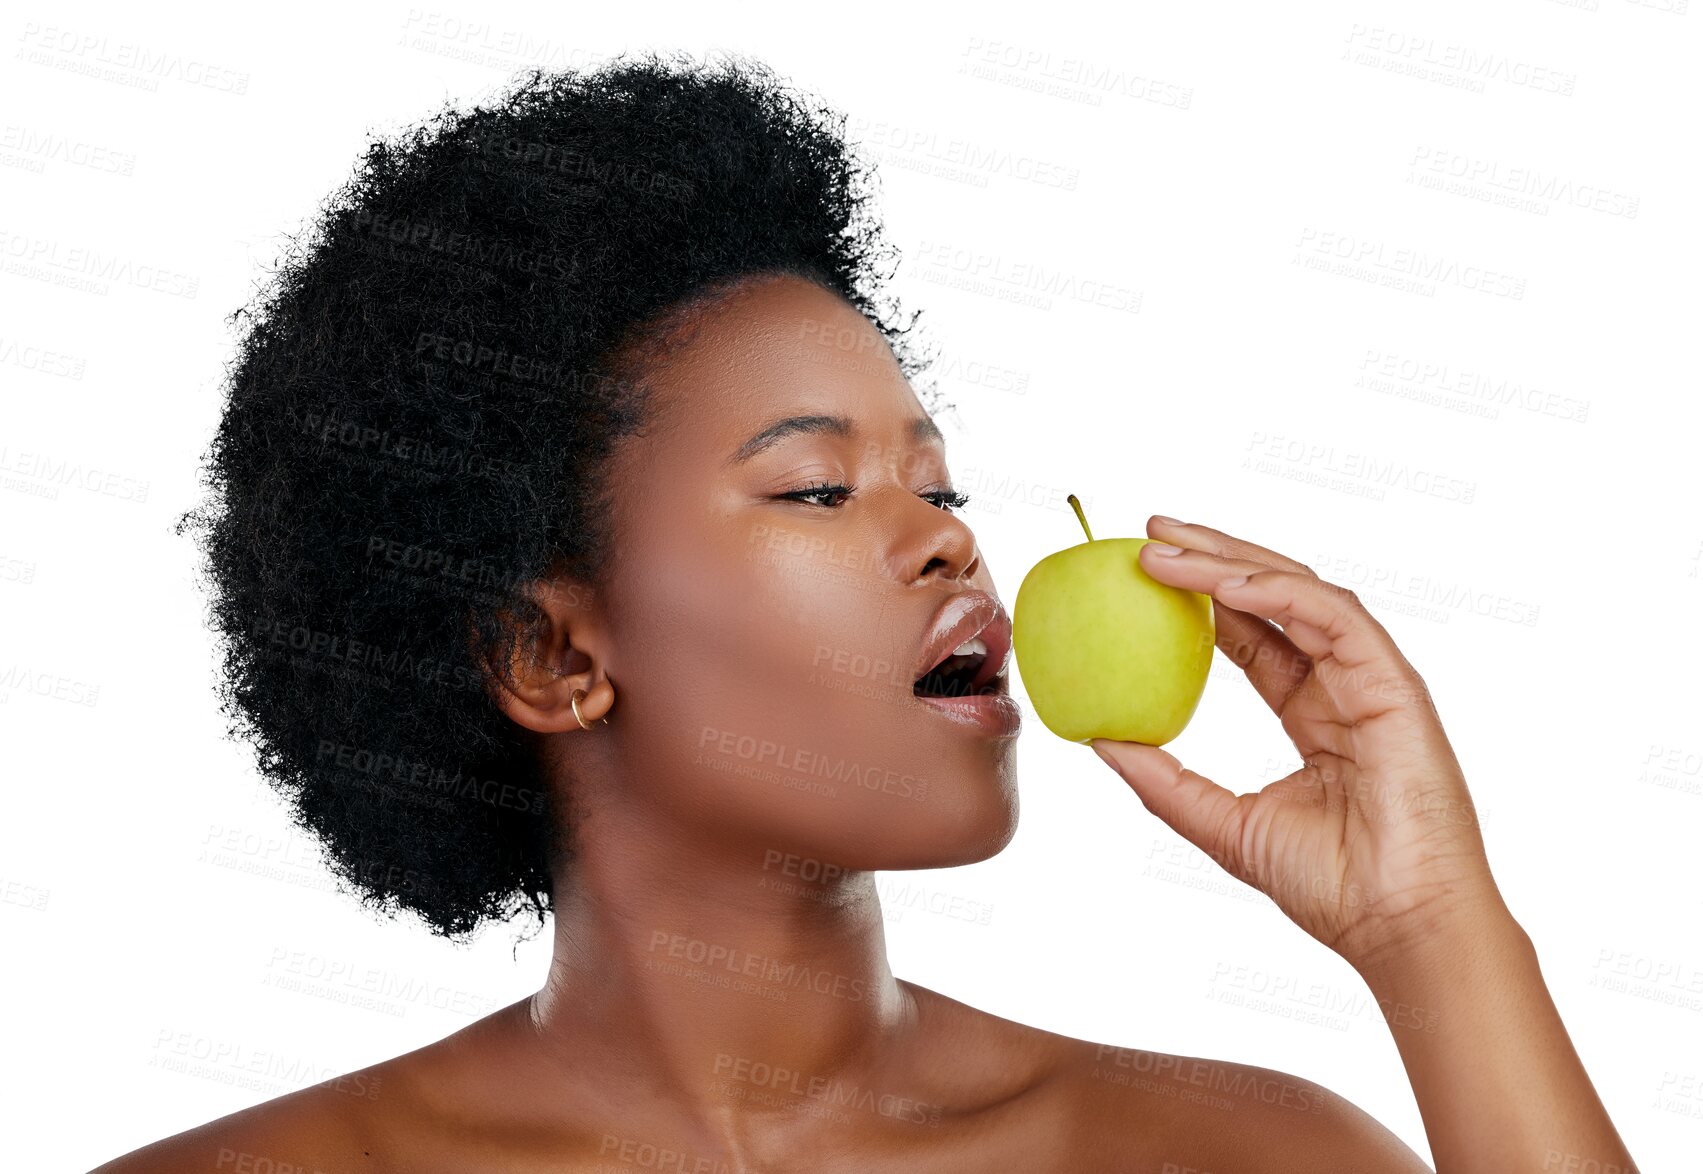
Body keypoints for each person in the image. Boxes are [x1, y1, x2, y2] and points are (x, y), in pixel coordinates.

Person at [94, 49, 1638, 1173]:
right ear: (553, 653)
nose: (946, 551)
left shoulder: (1240, 1153)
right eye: (819, 491)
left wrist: (1435, 932)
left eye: (941, 487)